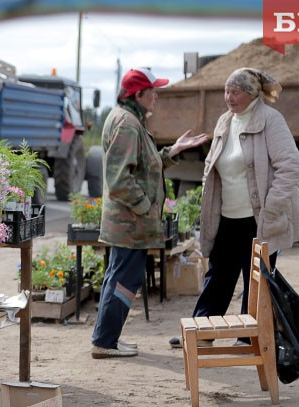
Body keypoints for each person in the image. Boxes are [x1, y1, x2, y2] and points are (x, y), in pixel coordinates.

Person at [169, 67, 299, 348]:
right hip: (228, 215)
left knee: (255, 280)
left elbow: (291, 167)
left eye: (234, 92)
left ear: (250, 93)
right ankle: (202, 331)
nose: (228, 97)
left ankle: (248, 337)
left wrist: (271, 208)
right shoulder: (225, 121)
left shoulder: (271, 120)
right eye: (226, 91)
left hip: (259, 218)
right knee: (218, 275)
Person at [91, 67, 210, 359]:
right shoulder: (129, 124)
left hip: (128, 222)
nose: (156, 96)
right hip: (130, 222)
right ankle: (105, 343)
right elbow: (120, 180)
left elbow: (144, 166)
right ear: (138, 94)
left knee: (117, 277)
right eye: (152, 91)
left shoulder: (126, 119)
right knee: (123, 280)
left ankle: (106, 338)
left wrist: (172, 151)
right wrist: (146, 209)